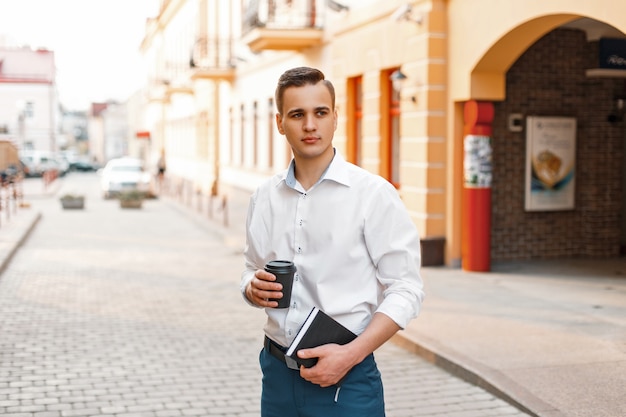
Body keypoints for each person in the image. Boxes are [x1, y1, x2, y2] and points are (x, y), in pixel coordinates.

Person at [241, 66, 424, 417]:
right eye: (297, 114)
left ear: (335, 117)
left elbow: (406, 289)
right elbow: (250, 269)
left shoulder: (373, 194)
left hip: (348, 381)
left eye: (320, 112)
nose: (310, 125)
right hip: (276, 376)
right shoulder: (262, 197)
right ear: (280, 123)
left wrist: (350, 355)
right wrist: (251, 287)